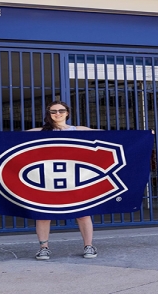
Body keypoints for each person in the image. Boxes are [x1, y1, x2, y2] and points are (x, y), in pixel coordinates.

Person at [28, 100, 98, 260]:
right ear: (49, 114)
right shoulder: (40, 131)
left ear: (67, 112)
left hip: (74, 177)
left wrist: (143, 135)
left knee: (83, 212)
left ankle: (89, 246)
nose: (57, 114)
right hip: (48, 177)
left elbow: (112, 136)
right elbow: (5, 139)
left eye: (61, 110)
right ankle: (43, 248)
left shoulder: (78, 130)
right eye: (53, 111)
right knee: (43, 213)